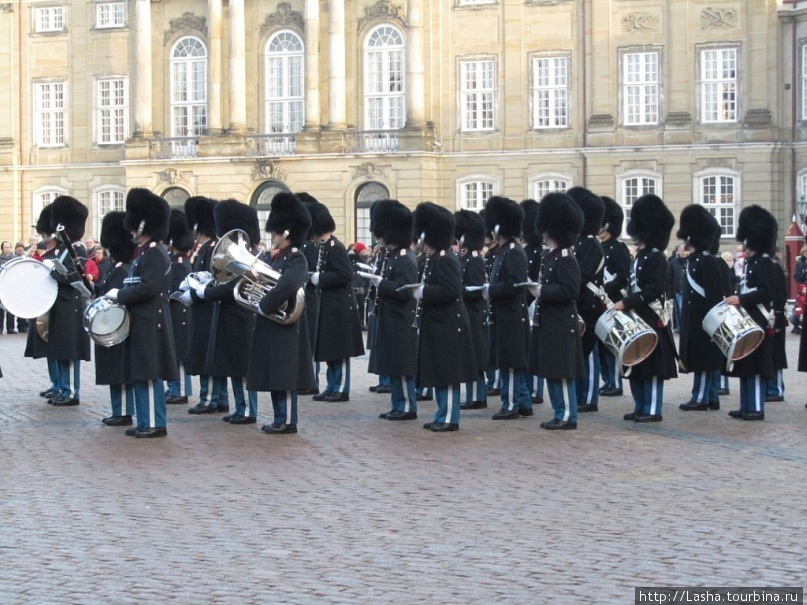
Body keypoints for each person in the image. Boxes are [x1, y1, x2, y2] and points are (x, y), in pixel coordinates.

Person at [247, 192, 315, 434]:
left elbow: (288, 285)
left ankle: (287, 420)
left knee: (285, 375)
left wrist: (264, 304)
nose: (272, 236)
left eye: (276, 232)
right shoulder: (273, 258)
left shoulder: (296, 259)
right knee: (275, 374)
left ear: (287, 232)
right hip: (271, 323)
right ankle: (279, 417)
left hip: (287, 324)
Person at [111, 188, 177, 437]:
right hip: (142, 319)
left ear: (142, 225)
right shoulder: (145, 253)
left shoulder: (155, 254)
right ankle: (144, 421)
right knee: (141, 373)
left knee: (149, 375)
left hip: (151, 320)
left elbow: (149, 288)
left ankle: (153, 424)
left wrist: (120, 295)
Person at [613, 194, 677, 423]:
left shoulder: (657, 258)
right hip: (638, 316)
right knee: (636, 363)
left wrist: (627, 303)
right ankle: (640, 405)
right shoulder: (640, 257)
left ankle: (652, 409)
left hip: (651, 316)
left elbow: (653, 290)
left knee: (651, 368)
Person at [413, 202, 477, 432]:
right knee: (439, 371)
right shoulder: (435, 259)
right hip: (438, 322)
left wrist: (423, 293)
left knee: (448, 374)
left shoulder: (446, 259)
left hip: (449, 323)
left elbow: (450, 291)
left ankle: (450, 417)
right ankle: (442, 414)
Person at [197, 200, 260, 425]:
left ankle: (249, 410)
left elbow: (235, 285)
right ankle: (240, 407)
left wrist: (206, 293)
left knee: (242, 367)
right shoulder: (235, 252)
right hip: (230, 314)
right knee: (233, 365)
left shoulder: (248, 254)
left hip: (242, 315)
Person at [528, 192, 585, 430]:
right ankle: (559, 411)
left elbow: (570, 290)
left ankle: (568, 415)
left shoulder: (566, 258)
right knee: (551, 370)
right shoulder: (550, 257)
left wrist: (542, 291)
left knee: (561, 373)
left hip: (561, 322)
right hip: (550, 320)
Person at [366, 200, 419, 421]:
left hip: (401, 318)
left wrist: (381, 284)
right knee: (394, 365)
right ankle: (398, 404)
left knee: (402, 366)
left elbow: (406, 291)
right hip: (390, 316)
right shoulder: (393, 255)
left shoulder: (405, 258)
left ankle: (407, 406)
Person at [724, 205, 778, 421]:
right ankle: (746, 404)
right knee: (745, 362)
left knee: (755, 366)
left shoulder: (764, 262)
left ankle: (755, 407)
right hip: (748, 318)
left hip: (758, 318)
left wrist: (741, 299)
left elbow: (765, 293)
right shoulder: (752, 261)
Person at [308, 201, 365, 403]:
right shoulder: (324, 247)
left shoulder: (335, 247)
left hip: (339, 306)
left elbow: (344, 275)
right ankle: (331, 385)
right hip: (328, 304)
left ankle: (341, 388)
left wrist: (320, 279)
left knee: (339, 350)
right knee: (330, 349)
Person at [483, 196, 532, 419]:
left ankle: (510, 404)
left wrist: (490, 291)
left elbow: (515, 284)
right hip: (504, 313)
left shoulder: (513, 251)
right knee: (509, 361)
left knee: (510, 363)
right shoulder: (504, 250)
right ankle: (523, 402)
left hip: (512, 314)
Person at [43, 195, 93, 406]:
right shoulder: (63, 250)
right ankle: (63, 388)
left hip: (71, 304)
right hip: (61, 304)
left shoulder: (77, 249)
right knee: (61, 350)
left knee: (69, 352)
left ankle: (71, 391)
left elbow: (76, 277)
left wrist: (54, 273)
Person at [676, 205, 726, 412]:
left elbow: (713, 296)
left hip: (704, 319)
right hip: (695, 318)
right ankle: (710, 396)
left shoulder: (706, 261)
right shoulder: (696, 260)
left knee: (705, 361)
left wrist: (713, 324)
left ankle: (702, 397)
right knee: (700, 359)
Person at [184, 196, 228, 415]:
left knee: (208, 354)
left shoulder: (211, 248)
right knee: (210, 353)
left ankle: (210, 398)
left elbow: (212, 278)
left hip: (206, 306)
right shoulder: (205, 247)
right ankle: (219, 397)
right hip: (204, 305)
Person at [94, 212, 136, 427]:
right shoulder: (115, 268)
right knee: (113, 371)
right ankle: (118, 410)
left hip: (116, 326)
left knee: (120, 372)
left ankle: (124, 411)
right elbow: (103, 290)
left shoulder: (123, 269)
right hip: (108, 324)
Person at [567, 187, 605, 413]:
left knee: (589, 354)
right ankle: (581, 394)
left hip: (589, 304)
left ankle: (590, 397)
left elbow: (583, 273)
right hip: (578, 303)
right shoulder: (579, 243)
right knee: (579, 353)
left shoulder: (591, 244)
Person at [455, 209, 490, 411]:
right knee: (469, 356)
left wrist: (458, 292)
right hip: (467, 312)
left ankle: (478, 396)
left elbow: (476, 288)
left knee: (476, 357)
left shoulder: (474, 259)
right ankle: (472, 395)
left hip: (475, 313)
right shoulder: (465, 257)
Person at [598, 196, 631, 397]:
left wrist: (605, 289)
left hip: (612, 300)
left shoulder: (619, 248)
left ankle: (616, 382)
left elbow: (623, 277)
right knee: (601, 346)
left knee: (612, 345)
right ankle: (607, 379)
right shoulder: (599, 246)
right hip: (600, 300)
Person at [163, 209, 194, 405]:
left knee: (180, 354)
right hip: (173, 311)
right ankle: (174, 387)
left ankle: (180, 389)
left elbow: (177, 289)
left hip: (179, 311)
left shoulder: (180, 262)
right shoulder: (174, 260)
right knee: (174, 352)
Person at [520, 199, 544, 405]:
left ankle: (536, 389)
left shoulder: (539, 252)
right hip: (524, 304)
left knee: (535, 349)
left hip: (532, 303)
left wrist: (527, 299)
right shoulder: (526, 250)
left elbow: (537, 277)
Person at [765, 248, 788, 403]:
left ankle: (776, 388)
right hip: (764, 315)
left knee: (776, 354)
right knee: (767, 354)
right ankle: (770, 387)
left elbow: (780, 294)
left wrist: (778, 315)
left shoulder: (774, 267)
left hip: (774, 316)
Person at [0, 241, 17, 334]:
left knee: (11, 307)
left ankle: (11, 328)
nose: (7, 249)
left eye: (9, 247)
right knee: (0, 309)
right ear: (2, 248)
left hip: (11, 286)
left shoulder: (15, 259)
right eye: (5, 247)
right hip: (1, 285)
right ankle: (0, 328)